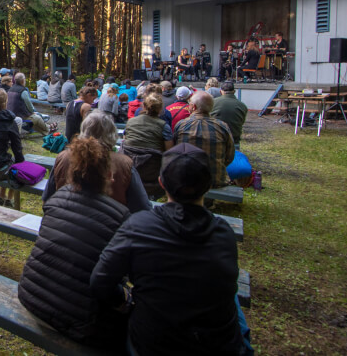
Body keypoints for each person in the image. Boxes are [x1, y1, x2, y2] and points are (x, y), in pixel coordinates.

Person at [90, 143, 252, 356]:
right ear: (208, 185)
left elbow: (100, 281)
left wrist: (125, 301)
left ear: (161, 182)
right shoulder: (224, 234)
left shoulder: (138, 225)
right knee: (231, 300)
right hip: (214, 346)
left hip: (151, 343)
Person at [18, 136, 130, 351]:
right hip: (80, 321)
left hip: (31, 296)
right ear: (108, 175)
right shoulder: (120, 216)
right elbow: (109, 281)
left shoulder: (58, 197)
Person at [43, 111, 151, 213]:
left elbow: (48, 198)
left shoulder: (63, 157)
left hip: (64, 220)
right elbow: (142, 206)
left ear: (83, 131)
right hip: (111, 226)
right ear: (112, 133)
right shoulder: (124, 164)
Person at [173, 91, 235, 189]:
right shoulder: (222, 126)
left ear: (193, 107)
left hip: (185, 179)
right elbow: (230, 156)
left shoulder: (181, 125)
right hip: (215, 180)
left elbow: (174, 151)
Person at [122, 93, 173, 198]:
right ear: (160, 108)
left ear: (143, 106)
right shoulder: (164, 126)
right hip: (152, 173)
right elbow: (169, 153)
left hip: (129, 169)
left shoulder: (131, 122)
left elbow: (125, 142)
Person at [212, 81, 249, 149]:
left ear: (221, 92)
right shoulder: (242, 106)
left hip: (216, 139)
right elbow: (241, 122)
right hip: (234, 140)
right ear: (234, 91)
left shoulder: (212, 103)